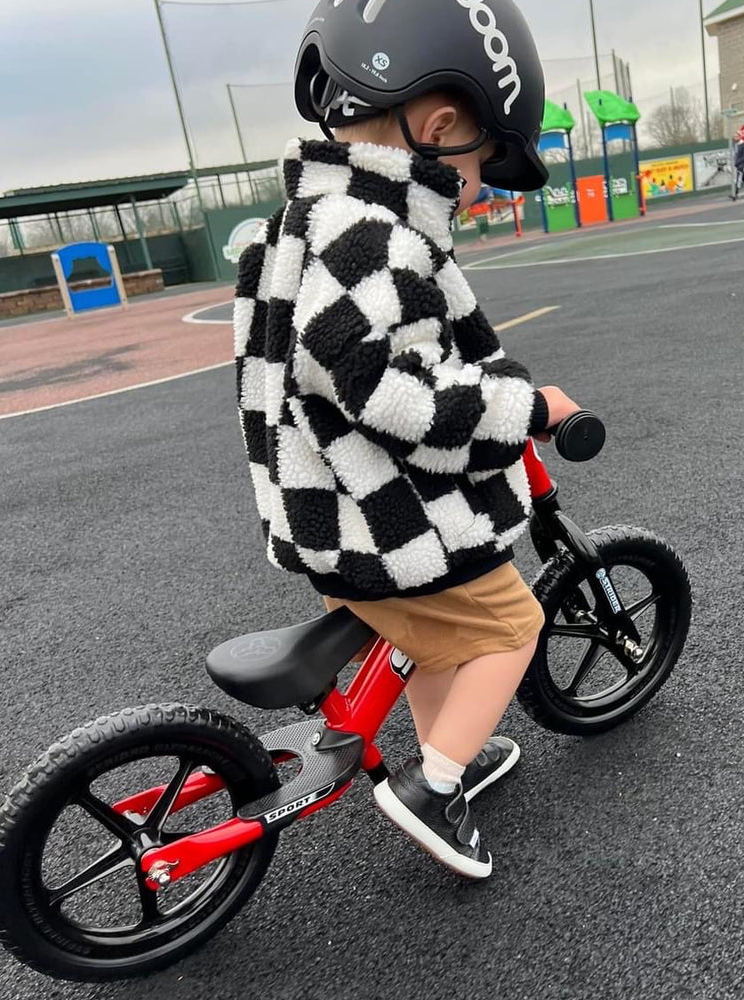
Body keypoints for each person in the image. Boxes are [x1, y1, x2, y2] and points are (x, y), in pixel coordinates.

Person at [233, 0, 579, 880]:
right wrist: (521, 409)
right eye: (483, 160)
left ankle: (444, 750)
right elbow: (391, 393)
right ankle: (434, 784)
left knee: (437, 641)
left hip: (323, 512)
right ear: (439, 124)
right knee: (511, 625)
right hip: (382, 525)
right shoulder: (373, 235)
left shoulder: (309, 217)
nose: (481, 184)